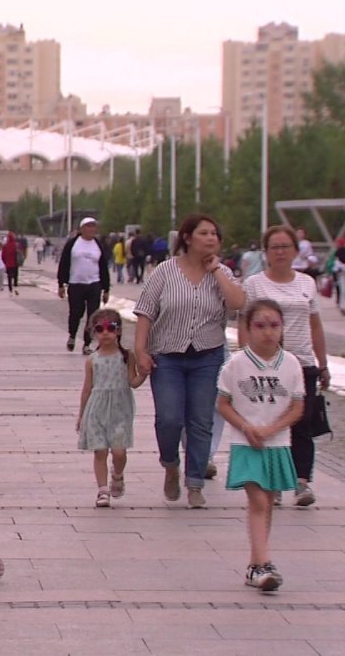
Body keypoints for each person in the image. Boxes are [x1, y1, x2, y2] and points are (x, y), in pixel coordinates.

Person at [133, 214, 245, 509]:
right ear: (187, 237)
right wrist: (141, 351)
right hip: (167, 357)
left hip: (207, 357)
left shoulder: (221, 272)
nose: (211, 238)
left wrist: (217, 270)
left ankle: (195, 482)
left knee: (201, 421)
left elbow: (237, 303)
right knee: (169, 419)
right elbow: (145, 312)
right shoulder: (165, 271)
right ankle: (170, 463)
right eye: (204, 233)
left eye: (214, 234)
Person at [217, 299, 305, 592]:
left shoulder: (291, 364)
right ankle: (264, 563)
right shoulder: (236, 364)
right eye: (260, 325)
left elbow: (297, 407)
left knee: (267, 502)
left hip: (277, 443)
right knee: (257, 501)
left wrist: (272, 429)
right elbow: (223, 403)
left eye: (274, 325)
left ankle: (256, 564)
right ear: (247, 328)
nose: (268, 332)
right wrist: (246, 427)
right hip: (246, 443)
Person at [241, 225, 330, 507]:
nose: (280, 252)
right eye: (274, 247)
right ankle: (274, 481)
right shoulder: (255, 284)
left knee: (302, 422)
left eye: (285, 247)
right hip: (268, 363)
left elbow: (315, 324)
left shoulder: (307, 283)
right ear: (265, 252)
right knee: (272, 423)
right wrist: (246, 359)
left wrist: (323, 363)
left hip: (302, 362)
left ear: (295, 251)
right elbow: (244, 324)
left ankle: (302, 482)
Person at [76, 308, 148, 508]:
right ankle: (102, 490)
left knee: (119, 452)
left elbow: (133, 382)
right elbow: (87, 389)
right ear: (94, 332)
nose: (105, 333)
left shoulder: (127, 356)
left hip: (119, 410)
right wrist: (81, 415)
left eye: (111, 328)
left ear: (119, 330)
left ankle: (117, 474)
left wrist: (144, 374)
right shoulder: (92, 360)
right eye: (100, 329)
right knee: (100, 451)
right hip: (96, 409)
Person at [57, 217, 110, 355]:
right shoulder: (73, 244)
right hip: (76, 283)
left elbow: (103, 267)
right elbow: (64, 263)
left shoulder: (98, 245)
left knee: (93, 315)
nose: (91, 229)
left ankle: (87, 343)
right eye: (88, 226)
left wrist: (106, 289)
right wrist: (61, 284)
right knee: (76, 313)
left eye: (93, 226)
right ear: (82, 229)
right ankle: (72, 335)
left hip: (94, 284)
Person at [1, 231, 21, 295]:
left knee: (9, 277)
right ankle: (15, 288)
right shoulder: (16, 245)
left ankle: (10, 290)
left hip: (8, 264)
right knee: (15, 276)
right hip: (15, 263)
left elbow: (2, 256)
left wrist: (5, 262)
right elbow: (20, 253)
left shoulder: (5, 246)